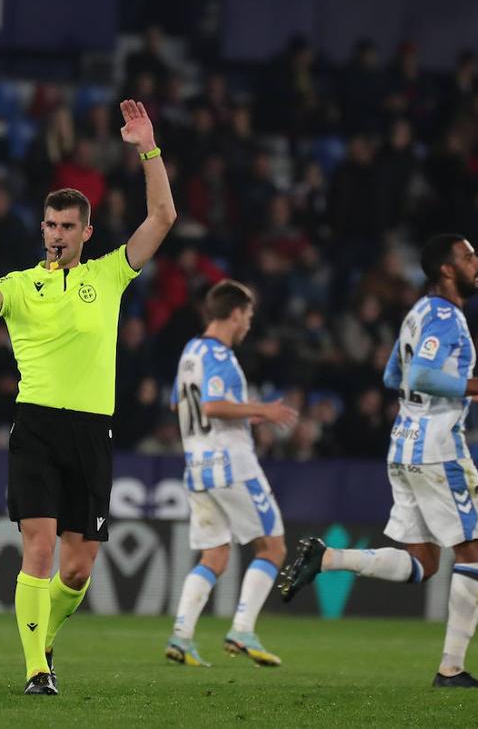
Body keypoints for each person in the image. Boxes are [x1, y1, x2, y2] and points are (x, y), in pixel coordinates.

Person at [0, 100, 177, 695]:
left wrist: (147, 149)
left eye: (68, 226)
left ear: (86, 233)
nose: (57, 235)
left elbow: (162, 216)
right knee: (40, 550)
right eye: (50, 225)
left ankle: (43, 636)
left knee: (77, 569)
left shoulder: (109, 274)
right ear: (42, 228)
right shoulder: (22, 286)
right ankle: (36, 670)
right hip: (38, 427)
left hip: (93, 430)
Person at [279, 234, 478, 689]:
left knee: (423, 563)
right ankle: (451, 669)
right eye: (468, 256)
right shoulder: (446, 316)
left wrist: (447, 386)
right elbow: (420, 375)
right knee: (475, 551)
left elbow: (393, 374)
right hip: (438, 447)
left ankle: (327, 558)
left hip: (404, 443)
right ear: (447, 270)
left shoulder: (418, 314)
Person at [165, 280, 298, 668]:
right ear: (236, 313)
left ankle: (181, 636)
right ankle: (242, 629)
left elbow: (180, 406)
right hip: (231, 463)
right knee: (273, 547)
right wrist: (261, 411)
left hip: (197, 466)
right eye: (249, 317)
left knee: (215, 554)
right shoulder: (219, 355)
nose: (249, 325)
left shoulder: (190, 352)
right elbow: (214, 405)